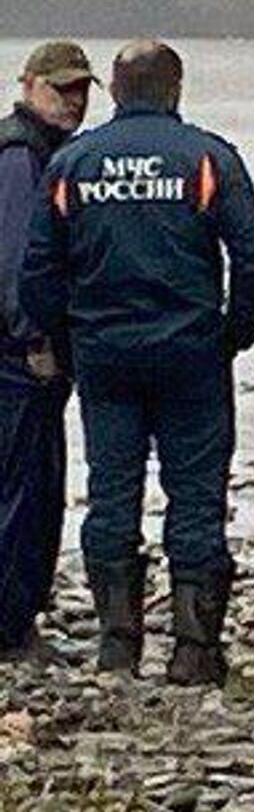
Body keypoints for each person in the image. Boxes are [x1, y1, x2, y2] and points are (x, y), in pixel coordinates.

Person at [20, 41, 254, 686]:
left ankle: (118, 645)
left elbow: (37, 274)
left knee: (111, 492)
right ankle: (193, 651)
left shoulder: (73, 165)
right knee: (195, 493)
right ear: (175, 89)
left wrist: (69, 337)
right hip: (191, 353)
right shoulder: (209, 158)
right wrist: (233, 333)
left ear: (112, 88)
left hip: (105, 357)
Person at [0, 41, 95, 658]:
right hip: (15, 358)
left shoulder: (46, 153)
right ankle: (8, 629)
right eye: (61, 90)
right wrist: (34, 339)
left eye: (82, 90)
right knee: (20, 489)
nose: (73, 102)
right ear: (28, 84)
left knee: (36, 484)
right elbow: (14, 259)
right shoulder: (19, 156)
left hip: (25, 352)